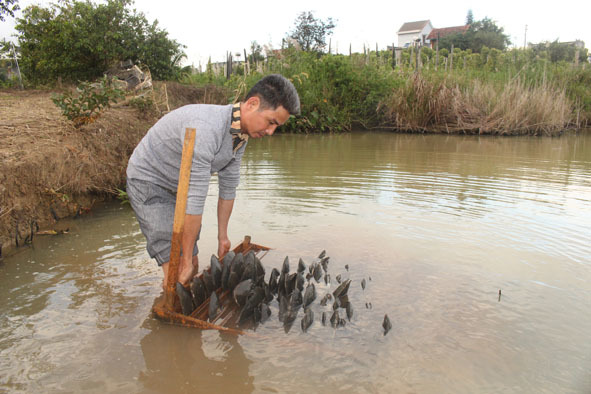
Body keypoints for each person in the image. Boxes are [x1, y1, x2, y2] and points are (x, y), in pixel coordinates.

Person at [126, 74, 300, 289]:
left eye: (277, 127)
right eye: (271, 122)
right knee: (179, 268)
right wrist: (187, 260)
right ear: (252, 104)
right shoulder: (205, 129)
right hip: (150, 182)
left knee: (192, 264)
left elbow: (228, 186)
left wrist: (223, 237)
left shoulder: (241, 134)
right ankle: (163, 314)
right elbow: (195, 197)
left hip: (179, 185)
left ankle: (178, 291)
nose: (271, 132)